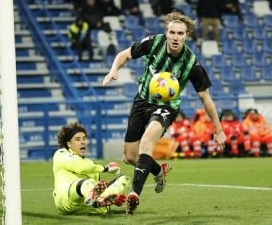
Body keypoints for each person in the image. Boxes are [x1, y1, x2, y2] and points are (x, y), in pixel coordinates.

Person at [102, 11, 226, 214]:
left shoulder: (191, 63)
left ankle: (134, 194)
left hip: (166, 106)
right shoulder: (153, 43)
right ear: (166, 33)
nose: (176, 37)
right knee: (130, 157)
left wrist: (218, 129)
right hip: (142, 100)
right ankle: (159, 171)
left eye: (180, 33)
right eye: (172, 32)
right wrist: (113, 70)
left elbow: (205, 97)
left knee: (147, 141)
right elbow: (123, 55)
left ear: (186, 36)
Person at [53, 122, 130, 215]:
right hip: (65, 200)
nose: (83, 142)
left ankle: (104, 197)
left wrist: (112, 201)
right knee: (87, 182)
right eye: (78, 139)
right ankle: (100, 197)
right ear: (69, 144)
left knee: (124, 178)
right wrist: (106, 168)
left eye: (84, 138)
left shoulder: (90, 164)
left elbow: (96, 188)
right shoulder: (61, 154)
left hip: (86, 206)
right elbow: (81, 168)